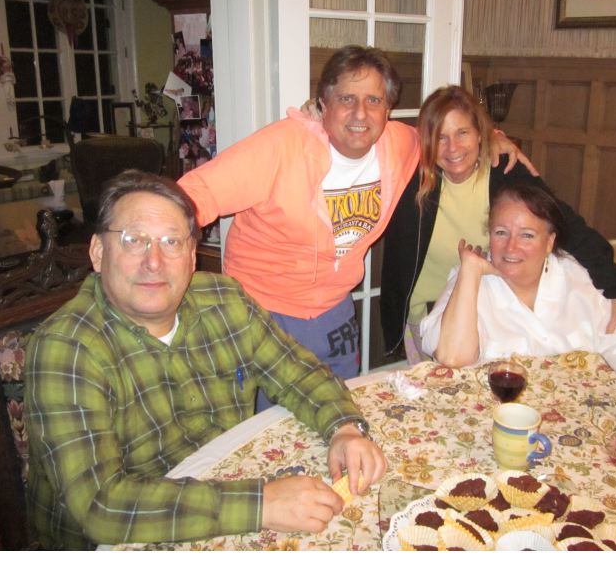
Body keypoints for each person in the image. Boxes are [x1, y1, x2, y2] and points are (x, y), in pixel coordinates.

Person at [24, 171, 386, 550]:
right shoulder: (65, 349)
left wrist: (343, 428)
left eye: (172, 242)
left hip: (226, 495)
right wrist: (263, 503)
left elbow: (297, 372)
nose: (154, 261)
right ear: (98, 252)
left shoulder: (224, 300)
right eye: (134, 240)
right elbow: (102, 507)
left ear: (192, 256)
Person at [177, 46, 527, 410]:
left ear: (387, 110)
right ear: (323, 104)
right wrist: (162, 256)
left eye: (373, 100)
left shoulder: (399, 144)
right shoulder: (281, 147)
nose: (361, 113)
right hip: (264, 313)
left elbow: (446, 136)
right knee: (269, 427)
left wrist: (494, 137)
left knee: (340, 415)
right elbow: (194, 195)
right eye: (346, 98)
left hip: (335, 312)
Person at [381, 85, 616, 364]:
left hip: (490, 316)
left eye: (463, 133)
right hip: (426, 317)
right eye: (440, 137)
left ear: (479, 134)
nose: (453, 148)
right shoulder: (410, 177)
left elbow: (566, 225)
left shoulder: (504, 172)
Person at [420, 178, 616, 411]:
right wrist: (470, 271)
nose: (511, 247)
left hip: (579, 419)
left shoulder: (583, 279)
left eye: (527, 235)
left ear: (550, 242)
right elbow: (453, 357)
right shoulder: (469, 280)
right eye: (501, 232)